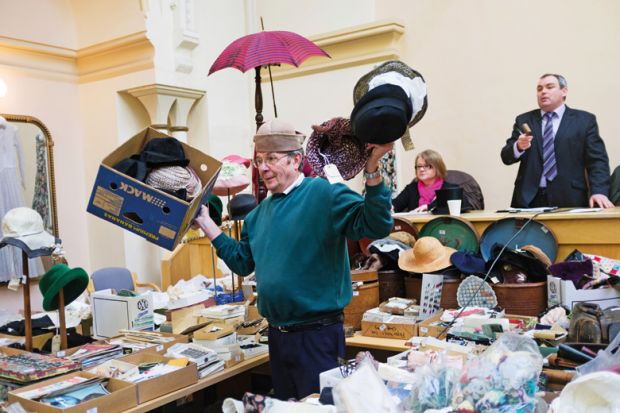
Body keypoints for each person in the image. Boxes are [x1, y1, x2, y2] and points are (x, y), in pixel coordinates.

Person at [193, 119, 393, 400]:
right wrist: (206, 223)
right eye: (259, 160)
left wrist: (371, 169)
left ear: (295, 160)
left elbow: (376, 224)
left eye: (271, 159)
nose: (263, 167)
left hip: (317, 337)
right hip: (276, 338)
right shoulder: (257, 215)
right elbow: (241, 262)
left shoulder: (325, 194)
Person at [501, 73, 613, 209]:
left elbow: (597, 161)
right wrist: (518, 147)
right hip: (529, 199)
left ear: (564, 91)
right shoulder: (524, 120)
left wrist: (599, 192)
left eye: (549, 87)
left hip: (570, 198)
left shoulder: (584, 121)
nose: (543, 92)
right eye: (539, 89)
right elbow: (506, 157)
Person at [392, 149, 463, 212]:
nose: (421, 169)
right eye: (419, 166)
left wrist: (429, 207)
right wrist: (390, 207)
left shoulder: (450, 188)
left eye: (427, 166)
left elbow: (464, 205)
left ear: (437, 167)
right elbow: (395, 205)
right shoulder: (411, 189)